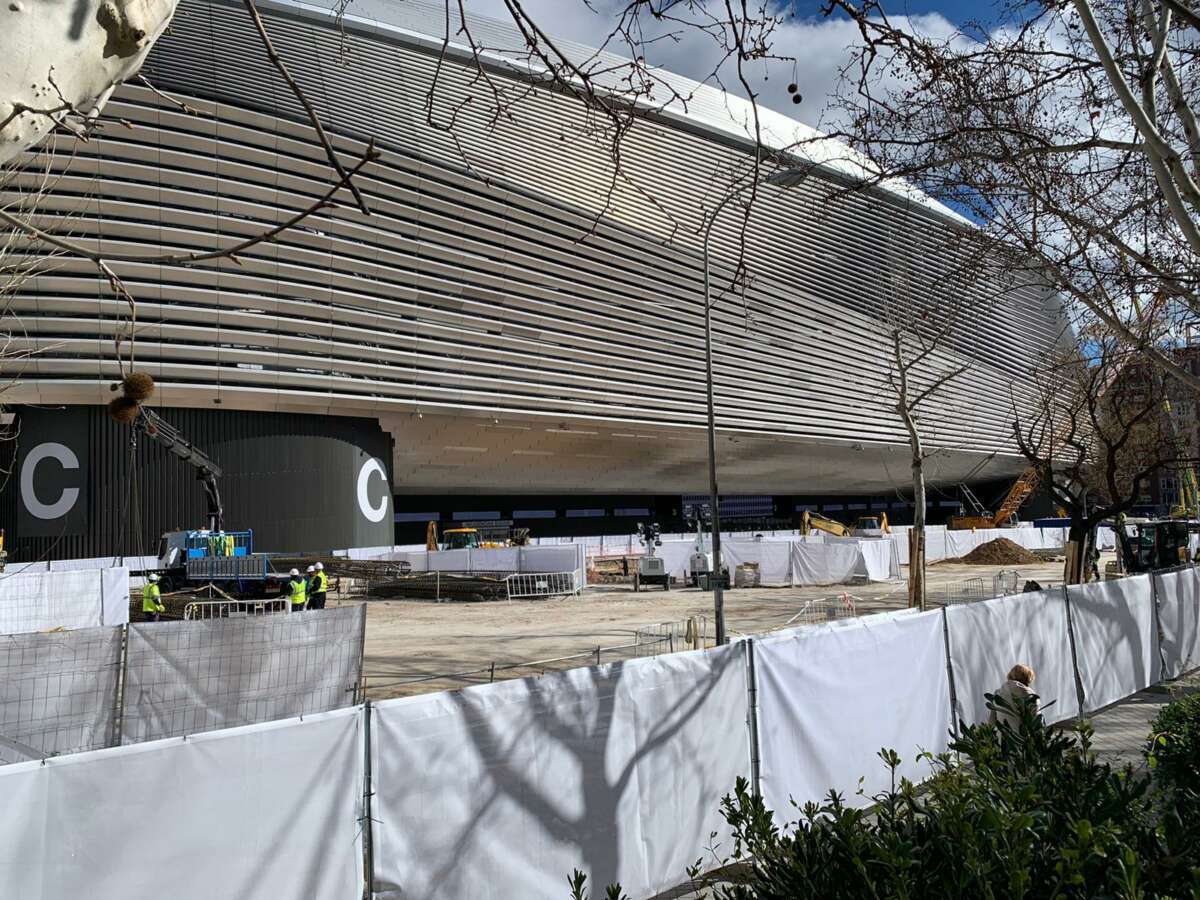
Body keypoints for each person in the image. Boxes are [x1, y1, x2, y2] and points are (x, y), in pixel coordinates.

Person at [988, 664, 1038, 729]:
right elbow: (1037, 722)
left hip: (1003, 737)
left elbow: (991, 722)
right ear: (1028, 678)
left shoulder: (997, 693)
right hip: (1023, 737)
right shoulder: (1031, 695)